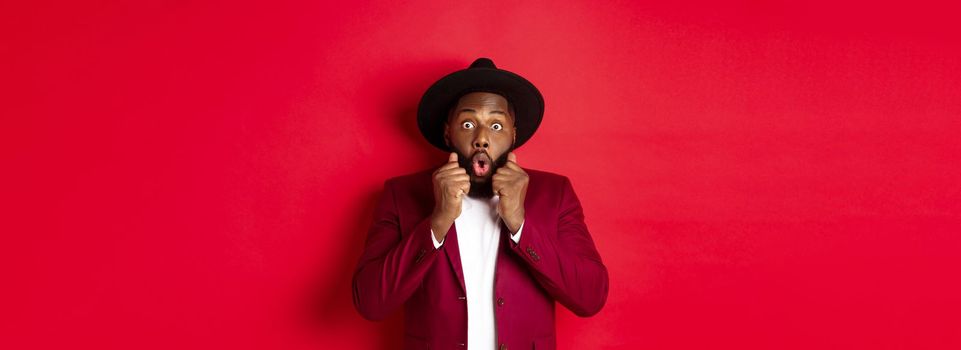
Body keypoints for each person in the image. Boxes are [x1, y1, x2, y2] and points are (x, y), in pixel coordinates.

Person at [352, 58, 608, 350]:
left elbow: (590, 298)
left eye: (496, 125)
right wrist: (437, 222)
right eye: (468, 123)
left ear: (514, 134)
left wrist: (520, 224)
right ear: (448, 132)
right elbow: (370, 303)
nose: (482, 139)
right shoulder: (401, 194)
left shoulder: (555, 193)